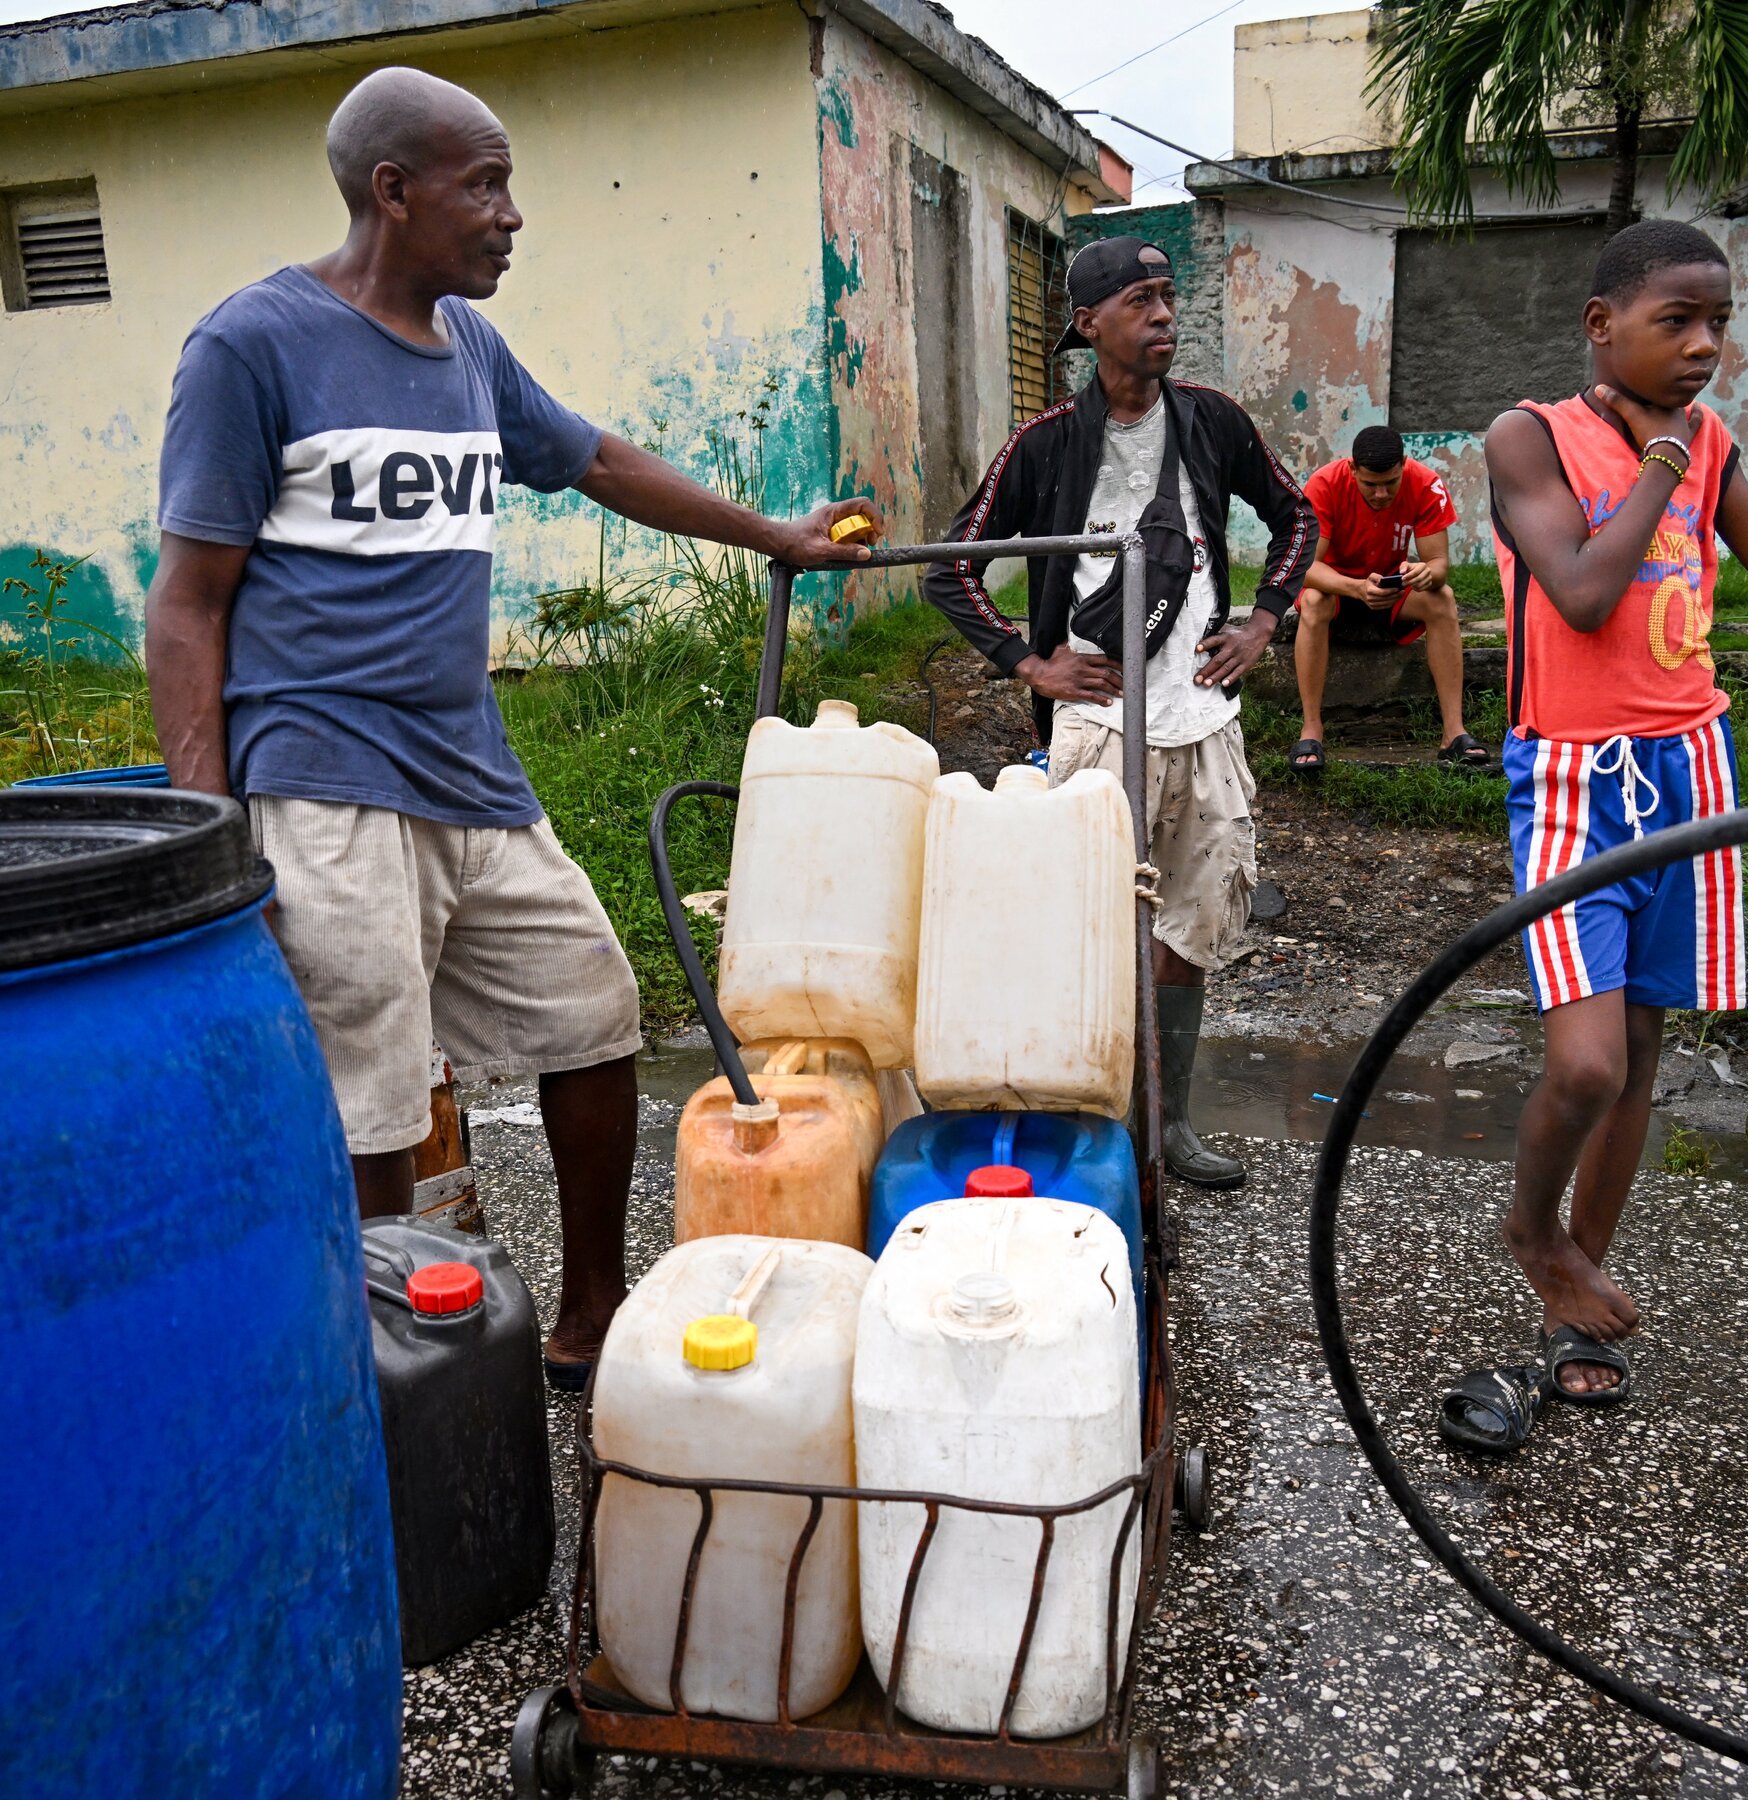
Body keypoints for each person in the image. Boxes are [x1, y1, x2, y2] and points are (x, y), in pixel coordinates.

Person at [143, 67, 877, 1391]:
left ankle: (590, 1315)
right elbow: (189, 606)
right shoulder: (253, 347)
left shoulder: (467, 350)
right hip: (321, 780)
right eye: (484, 184)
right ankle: (375, 1383)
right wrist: (212, 829)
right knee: (369, 1091)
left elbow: (594, 457)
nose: (512, 214)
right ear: (394, 191)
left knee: (592, 1012)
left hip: (471, 769)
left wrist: (773, 534)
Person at [1439, 218, 1748, 1456]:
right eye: (1675, 322)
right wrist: (1658, 462)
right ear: (1603, 324)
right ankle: (1535, 1233)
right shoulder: (1530, 437)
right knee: (1585, 1062)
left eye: (1717, 323)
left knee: (1640, 1056)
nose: (1704, 347)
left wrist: (1693, 457)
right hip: (1576, 777)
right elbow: (1583, 594)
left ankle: (1575, 1311)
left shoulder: (1714, 446)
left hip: (1690, 766)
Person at [921, 235, 1317, 1190]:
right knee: (1087, 921)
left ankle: (1168, 1124)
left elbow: (1296, 517)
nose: (1165, 316)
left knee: (1190, 927)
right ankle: (1087, 1120)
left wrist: (1265, 620)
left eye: (1169, 297)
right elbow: (947, 568)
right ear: (1089, 325)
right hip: (1097, 726)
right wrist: (1031, 662)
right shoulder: (1046, 442)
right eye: (1142, 301)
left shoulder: (1213, 420)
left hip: (1205, 719)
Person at [1293, 426, 1486, 771]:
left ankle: (1453, 733)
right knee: (1312, 601)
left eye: (1390, 483)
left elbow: (1439, 564)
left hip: (1389, 587)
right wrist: (1354, 588)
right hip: (1338, 588)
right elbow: (1305, 569)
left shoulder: (1425, 483)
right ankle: (1311, 730)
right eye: (1370, 485)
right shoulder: (1324, 484)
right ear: (1352, 468)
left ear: (1404, 466)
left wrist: (1428, 573)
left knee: (1442, 598)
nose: (1381, 494)